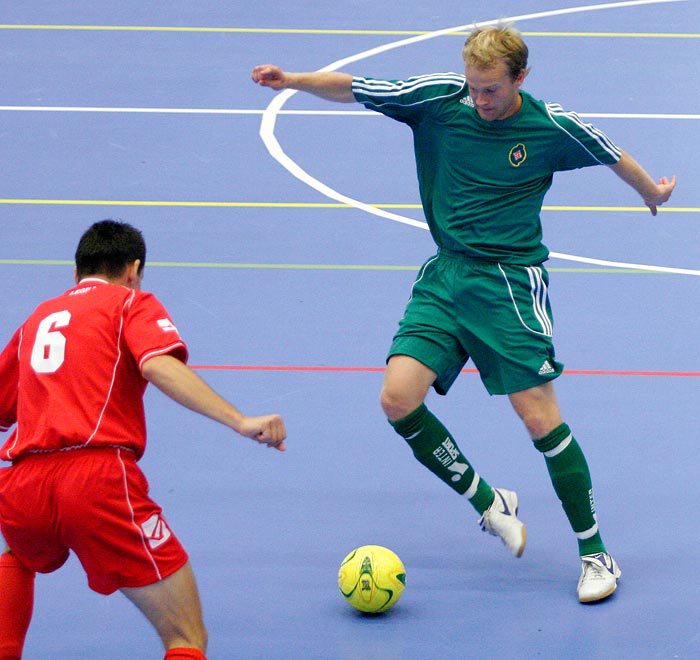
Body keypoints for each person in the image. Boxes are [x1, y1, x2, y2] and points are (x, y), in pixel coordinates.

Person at [251, 23, 675, 603]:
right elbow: (354, 86)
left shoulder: (548, 126)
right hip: (447, 275)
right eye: (474, 87)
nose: (479, 100)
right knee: (397, 399)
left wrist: (651, 191)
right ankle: (489, 502)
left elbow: (611, 153)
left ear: (520, 79)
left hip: (507, 286)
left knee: (538, 419)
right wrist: (294, 81)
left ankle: (596, 553)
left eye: (492, 90)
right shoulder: (439, 99)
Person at [0, 220, 286, 660]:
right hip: (94, 480)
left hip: (22, 487)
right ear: (133, 270)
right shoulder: (129, 303)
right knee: (187, 636)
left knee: (19, 555)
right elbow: (158, 365)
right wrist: (239, 420)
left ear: (76, 272)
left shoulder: (36, 319)